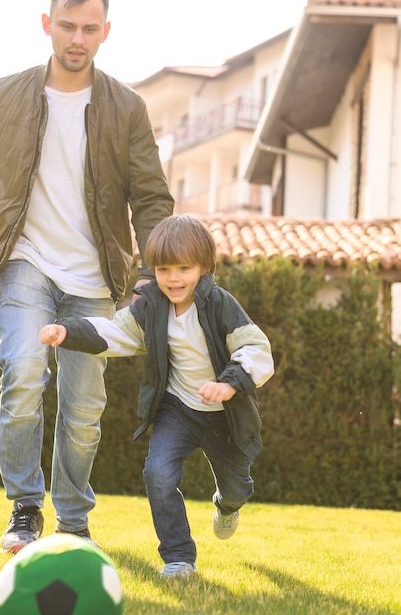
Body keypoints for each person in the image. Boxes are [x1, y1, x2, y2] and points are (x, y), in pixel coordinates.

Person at [0, 0, 173, 554]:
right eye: (67, 25)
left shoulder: (127, 108)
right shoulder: (7, 95)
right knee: (24, 370)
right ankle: (26, 507)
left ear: (106, 31)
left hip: (96, 277)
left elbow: (151, 197)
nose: (77, 38)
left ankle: (74, 522)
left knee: (83, 409)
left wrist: (153, 272)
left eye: (89, 27)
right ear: (46, 25)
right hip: (24, 261)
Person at [39, 214, 274, 578]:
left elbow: (256, 348)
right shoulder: (151, 307)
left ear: (204, 267)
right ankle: (179, 558)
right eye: (164, 269)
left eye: (184, 268)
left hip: (223, 415)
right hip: (176, 410)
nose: (174, 279)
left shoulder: (220, 305)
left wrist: (228, 384)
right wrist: (67, 331)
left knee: (237, 488)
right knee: (158, 475)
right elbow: (116, 332)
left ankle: (227, 506)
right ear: (153, 271)